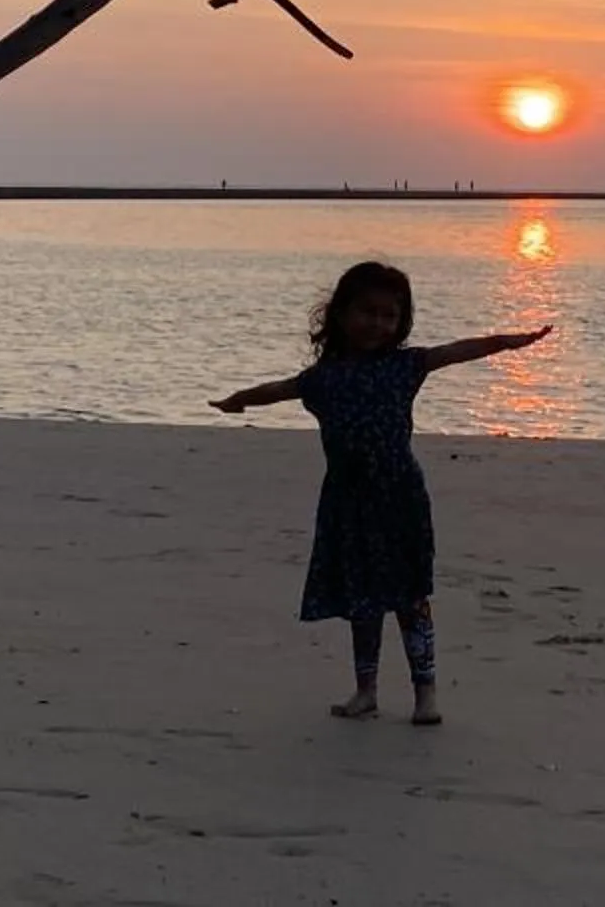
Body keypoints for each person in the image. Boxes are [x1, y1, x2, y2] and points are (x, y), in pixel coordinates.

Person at [210, 261, 550, 726]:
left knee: (411, 597)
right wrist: (239, 399)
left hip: (400, 497)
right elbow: (279, 389)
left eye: (389, 315)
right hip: (347, 502)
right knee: (362, 600)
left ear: (401, 323)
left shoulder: (404, 367)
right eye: (367, 312)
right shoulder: (323, 380)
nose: (377, 323)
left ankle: (425, 695)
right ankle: (366, 691)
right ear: (341, 315)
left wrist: (507, 342)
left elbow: (456, 351)